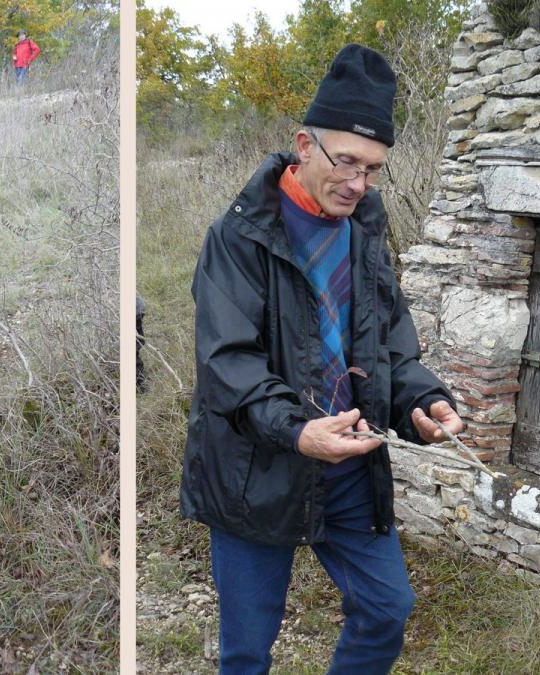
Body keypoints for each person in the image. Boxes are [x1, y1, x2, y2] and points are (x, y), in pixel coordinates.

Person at [180, 44, 465, 674]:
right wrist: (299, 431)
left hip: (351, 465)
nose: (358, 183)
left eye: (373, 170)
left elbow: (387, 338)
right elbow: (228, 362)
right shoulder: (240, 235)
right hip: (255, 470)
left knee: (387, 607)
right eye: (348, 162)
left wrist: (420, 398)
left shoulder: (365, 231)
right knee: (248, 650)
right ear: (305, 145)